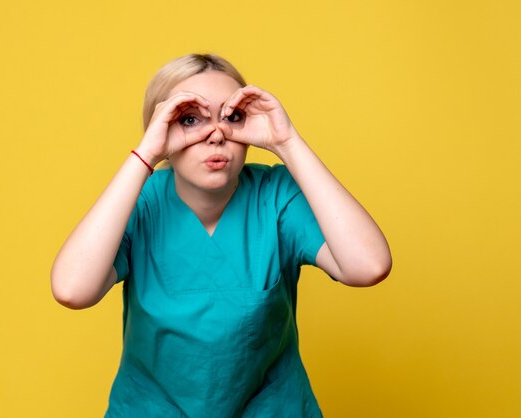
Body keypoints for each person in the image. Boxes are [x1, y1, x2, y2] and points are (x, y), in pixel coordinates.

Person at [51, 53, 392, 417]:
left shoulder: (275, 197)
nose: (215, 135)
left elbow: (368, 266)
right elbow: (72, 290)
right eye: (190, 119)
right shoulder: (140, 204)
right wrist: (146, 154)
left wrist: (286, 141)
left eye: (231, 117)